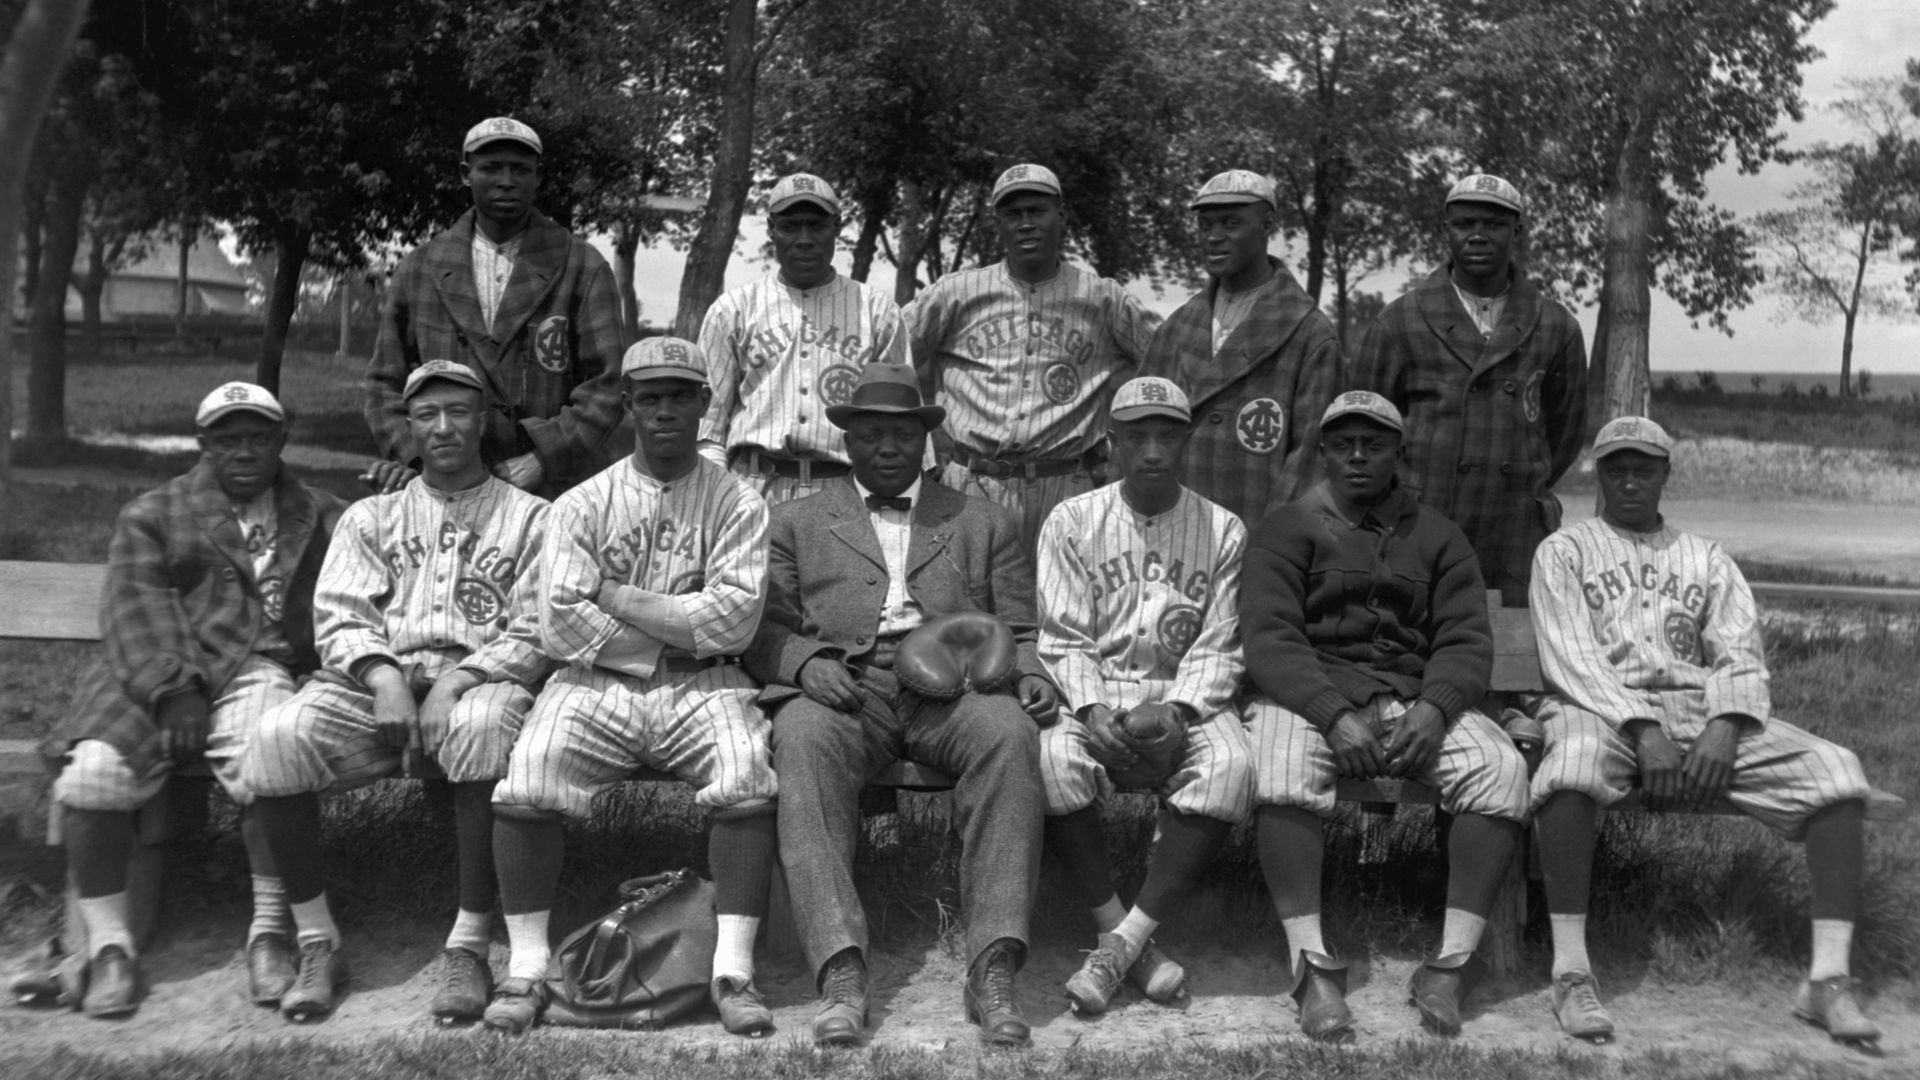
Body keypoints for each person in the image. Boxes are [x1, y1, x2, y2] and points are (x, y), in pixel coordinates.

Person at [1528, 416, 1880, 1046]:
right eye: (1616, 468)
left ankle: (1826, 981)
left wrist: (1725, 725)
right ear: (1599, 474)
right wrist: (1641, 727)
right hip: (1598, 709)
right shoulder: (1564, 551)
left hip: (1700, 711)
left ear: (1666, 473)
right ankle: (1571, 971)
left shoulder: (1706, 557)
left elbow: (1740, 653)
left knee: (1838, 771)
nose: (1630, 481)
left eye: (1644, 468)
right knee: (1570, 766)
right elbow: (1571, 658)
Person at [745, 363, 1059, 1047]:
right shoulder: (796, 520)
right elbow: (763, 627)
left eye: (902, 433)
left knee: (1010, 735)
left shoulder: (982, 519)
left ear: (924, 440)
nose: (887, 446)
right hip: (847, 687)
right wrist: (805, 664)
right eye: (871, 434)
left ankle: (993, 965)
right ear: (847, 443)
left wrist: (1030, 673)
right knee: (800, 738)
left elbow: (1023, 626)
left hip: (958, 689)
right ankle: (841, 971)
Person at [483, 337, 780, 1038]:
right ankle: (526, 968)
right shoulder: (582, 503)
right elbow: (559, 624)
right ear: (629, 406)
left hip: (707, 685)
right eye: (651, 397)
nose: (667, 410)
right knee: (529, 772)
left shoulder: (739, 501)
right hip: (593, 683)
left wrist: (615, 595)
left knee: (744, 771)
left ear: (707, 404)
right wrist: (678, 625)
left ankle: (732, 972)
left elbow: (735, 621)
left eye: (682, 396)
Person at [241, 361, 551, 1024]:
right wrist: (384, 679)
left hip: (479, 677)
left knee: (482, 725)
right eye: (426, 414)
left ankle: (468, 941)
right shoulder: (370, 516)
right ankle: (318, 938)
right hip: (372, 682)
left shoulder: (533, 518)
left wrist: (458, 682)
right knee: (274, 739)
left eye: (459, 411)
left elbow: (539, 627)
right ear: (408, 427)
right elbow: (340, 613)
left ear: (485, 420)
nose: (443, 427)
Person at [42, 382, 345, 1018]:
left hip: (259, 665)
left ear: (281, 442)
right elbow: (136, 605)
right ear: (202, 445)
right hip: (156, 672)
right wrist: (172, 689)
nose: (243, 451)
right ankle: (109, 946)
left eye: (258, 438)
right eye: (228, 439)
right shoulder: (154, 512)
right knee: (94, 774)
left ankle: (269, 933)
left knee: (268, 759)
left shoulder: (316, 511)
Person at [1240, 390, 1530, 1039]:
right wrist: (1331, 712)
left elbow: (1466, 638)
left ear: (1399, 451)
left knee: (1498, 768)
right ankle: (1311, 965)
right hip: (1311, 694)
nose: (1358, 456)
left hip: (1412, 697)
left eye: (1374, 443)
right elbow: (1268, 636)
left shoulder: (1437, 534)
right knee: (1282, 763)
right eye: (1343, 443)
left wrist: (1436, 707)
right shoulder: (1288, 526)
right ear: (1324, 451)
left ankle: (1451, 966)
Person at [1035, 376, 1253, 1015]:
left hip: (1185, 695)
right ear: (1113, 442)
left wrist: (1182, 712)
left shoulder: (1223, 528)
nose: (1152, 450)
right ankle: (1121, 933)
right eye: (1136, 436)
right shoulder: (1073, 519)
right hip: (1094, 691)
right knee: (1050, 761)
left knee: (1231, 767)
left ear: (1186, 439)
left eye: (1166, 434)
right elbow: (1062, 635)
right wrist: (1092, 708)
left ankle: (1120, 946)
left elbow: (1221, 643)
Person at [1348, 173, 1587, 605]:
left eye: (1494, 225)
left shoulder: (1555, 326)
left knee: (1513, 654)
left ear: (1517, 231)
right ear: (1446, 231)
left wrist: (1521, 478)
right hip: (1419, 525)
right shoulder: (1400, 321)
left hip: (1514, 530)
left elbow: (1565, 432)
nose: (1478, 236)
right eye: (1465, 224)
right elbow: (1361, 430)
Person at [366, 117, 630, 499]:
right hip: (444, 489)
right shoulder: (420, 267)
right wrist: (416, 458)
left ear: (537, 177)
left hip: (553, 490)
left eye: (520, 169)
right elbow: (382, 384)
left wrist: (544, 457)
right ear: (465, 174)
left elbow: (609, 384)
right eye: (491, 168)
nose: (507, 180)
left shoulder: (582, 265)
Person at [905, 163, 1161, 552]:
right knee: (965, 609)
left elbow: (1170, 362)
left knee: (1065, 608)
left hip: (1068, 484)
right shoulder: (956, 292)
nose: (1026, 223)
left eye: (1037, 211)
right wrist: (924, 460)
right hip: (971, 482)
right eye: (1014, 214)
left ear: (1060, 216)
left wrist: (1125, 448)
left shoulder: (1101, 298)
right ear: (999, 224)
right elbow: (888, 365)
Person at [1141, 170, 1342, 524]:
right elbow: (1136, 433)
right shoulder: (1175, 329)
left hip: (1255, 537)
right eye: (1205, 225)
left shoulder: (1309, 333)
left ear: (1267, 226)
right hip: (1168, 536)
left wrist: (1273, 552)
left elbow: (1310, 460)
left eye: (1231, 223)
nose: (1214, 237)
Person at [697, 172, 909, 500]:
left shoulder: (877, 310)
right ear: (771, 229)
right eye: (791, 226)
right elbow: (709, 428)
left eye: (817, 225)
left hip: (844, 489)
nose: (805, 238)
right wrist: (717, 500)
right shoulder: (734, 309)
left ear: (837, 227)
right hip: (753, 486)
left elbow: (902, 419)